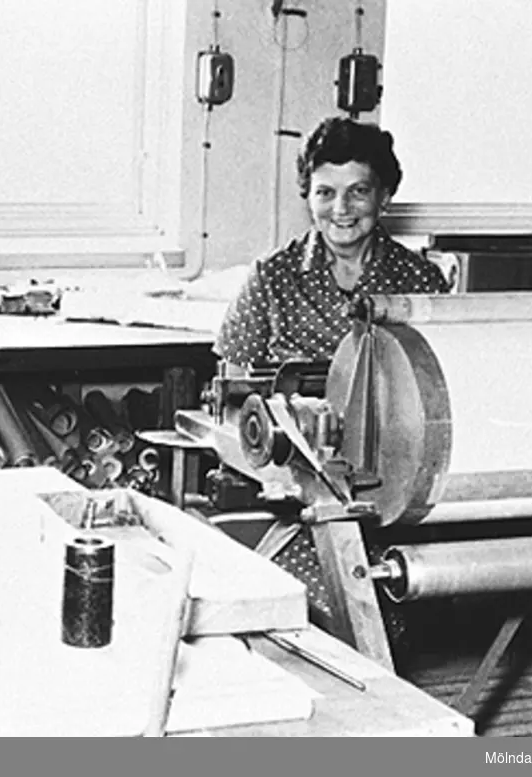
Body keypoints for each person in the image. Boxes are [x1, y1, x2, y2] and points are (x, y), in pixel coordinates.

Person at [214, 116, 449, 654]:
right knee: (308, 613)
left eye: (357, 191)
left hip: (393, 493)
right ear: (308, 197)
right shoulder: (272, 278)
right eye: (325, 193)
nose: (340, 209)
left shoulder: (421, 285)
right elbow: (228, 392)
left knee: (377, 618)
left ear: (384, 196)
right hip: (292, 491)